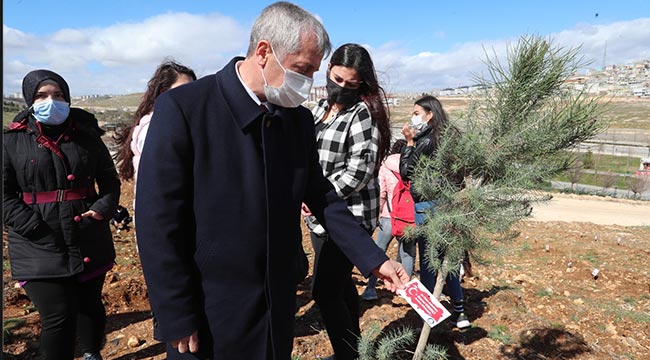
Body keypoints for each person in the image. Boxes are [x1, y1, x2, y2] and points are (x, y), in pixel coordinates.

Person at [134, 3, 408, 360]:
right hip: (209, 310)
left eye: (312, 72)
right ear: (264, 52)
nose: (307, 83)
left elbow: (323, 196)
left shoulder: (294, 121)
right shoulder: (186, 109)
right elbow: (158, 221)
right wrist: (175, 310)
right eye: (301, 70)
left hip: (275, 306)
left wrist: (375, 260)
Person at [3, 69, 121, 360]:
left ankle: (92, 352)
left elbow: (109, 180)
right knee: (59, 316)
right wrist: (32, 226)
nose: (50, 101)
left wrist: (102, 209)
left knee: (90, 304)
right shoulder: (10, 141)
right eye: (42, 96)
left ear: (67, 98)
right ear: (30, 100)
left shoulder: (87, 136)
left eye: (57, 95)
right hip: (37, 241)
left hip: (87, 233)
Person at [304, 43, 392, 360]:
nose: (340, 88)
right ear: (328, 69)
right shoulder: (317, 109)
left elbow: (359, 172)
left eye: (350, 84)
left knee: (323, 291)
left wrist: (316, 195)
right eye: (337, 79)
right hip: (320, 216)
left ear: (361, 84)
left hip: (350, 216)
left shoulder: (362, 115)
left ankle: (347, 354)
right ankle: (354, 350)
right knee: (340, 286)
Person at [399, 95, 471, 329]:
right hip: (448, 205)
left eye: (417, 113)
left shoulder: (424, 141)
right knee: (449, 257)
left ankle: (427, 317)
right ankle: (460, 312)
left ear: (430, 115)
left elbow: (406, 172)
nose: (414, 117)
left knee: (429, 260)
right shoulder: (450, 137)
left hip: (427, 206)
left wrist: (408, 143)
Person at [113, 60, 196, 185]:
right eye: (181, 91)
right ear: (163, 93)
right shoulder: (153, 128)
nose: (188, 97)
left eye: (193, 91)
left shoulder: (178, 124)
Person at [360, 139, 411, 301]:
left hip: (388, 217)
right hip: (407, 218)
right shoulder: (411, 165)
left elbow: (381, 193)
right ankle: (405, 290)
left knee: (378, 253)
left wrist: (378, 214)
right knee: (407, 254)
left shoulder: (385, 166)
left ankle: (370, 289)